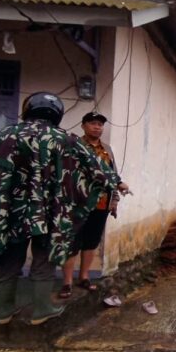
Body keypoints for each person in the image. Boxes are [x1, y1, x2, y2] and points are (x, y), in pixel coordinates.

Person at [0, 92, 130, 325]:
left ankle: (4, 309)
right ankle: (42, 309)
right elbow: (97, 169)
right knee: (44, 257)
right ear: (56, 114)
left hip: (10, 210)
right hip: (49, 211)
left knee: (9, 257)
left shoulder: (5, 135)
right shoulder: (65, 138)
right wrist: (117, 183)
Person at [58, 112, 121, 298]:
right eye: (93, 124)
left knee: (91, 242)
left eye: (100, 125)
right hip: (77, 204)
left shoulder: (107, 149)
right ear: (83, 126)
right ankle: (67, 282)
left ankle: (84, 277)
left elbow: (113, 176)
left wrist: (114, 200)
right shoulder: (74, 146)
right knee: (72, 242)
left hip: (101, 204)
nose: (97, 127)